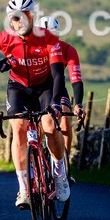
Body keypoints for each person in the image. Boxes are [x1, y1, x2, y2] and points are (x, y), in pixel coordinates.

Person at [0, 0, 70, 209]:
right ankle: (24, 189)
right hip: (18, 88)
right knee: (19, 129)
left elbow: (59, 75)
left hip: (45, 86)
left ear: (34, 17)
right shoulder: (5, 38)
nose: (20, 21)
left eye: (25, 15)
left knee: (50, 125)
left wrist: (56, 104)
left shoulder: (48, 38)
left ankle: (60, 176)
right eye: (15, 18)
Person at [40, 16, 86, 171]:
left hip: (56, 87)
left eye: (54, 34)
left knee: (65, 121)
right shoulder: (33, 49)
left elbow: (76, 78)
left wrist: (78, 104)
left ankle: (64, 168)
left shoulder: (68, 50)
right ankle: (37, 162)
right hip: (36, 88)